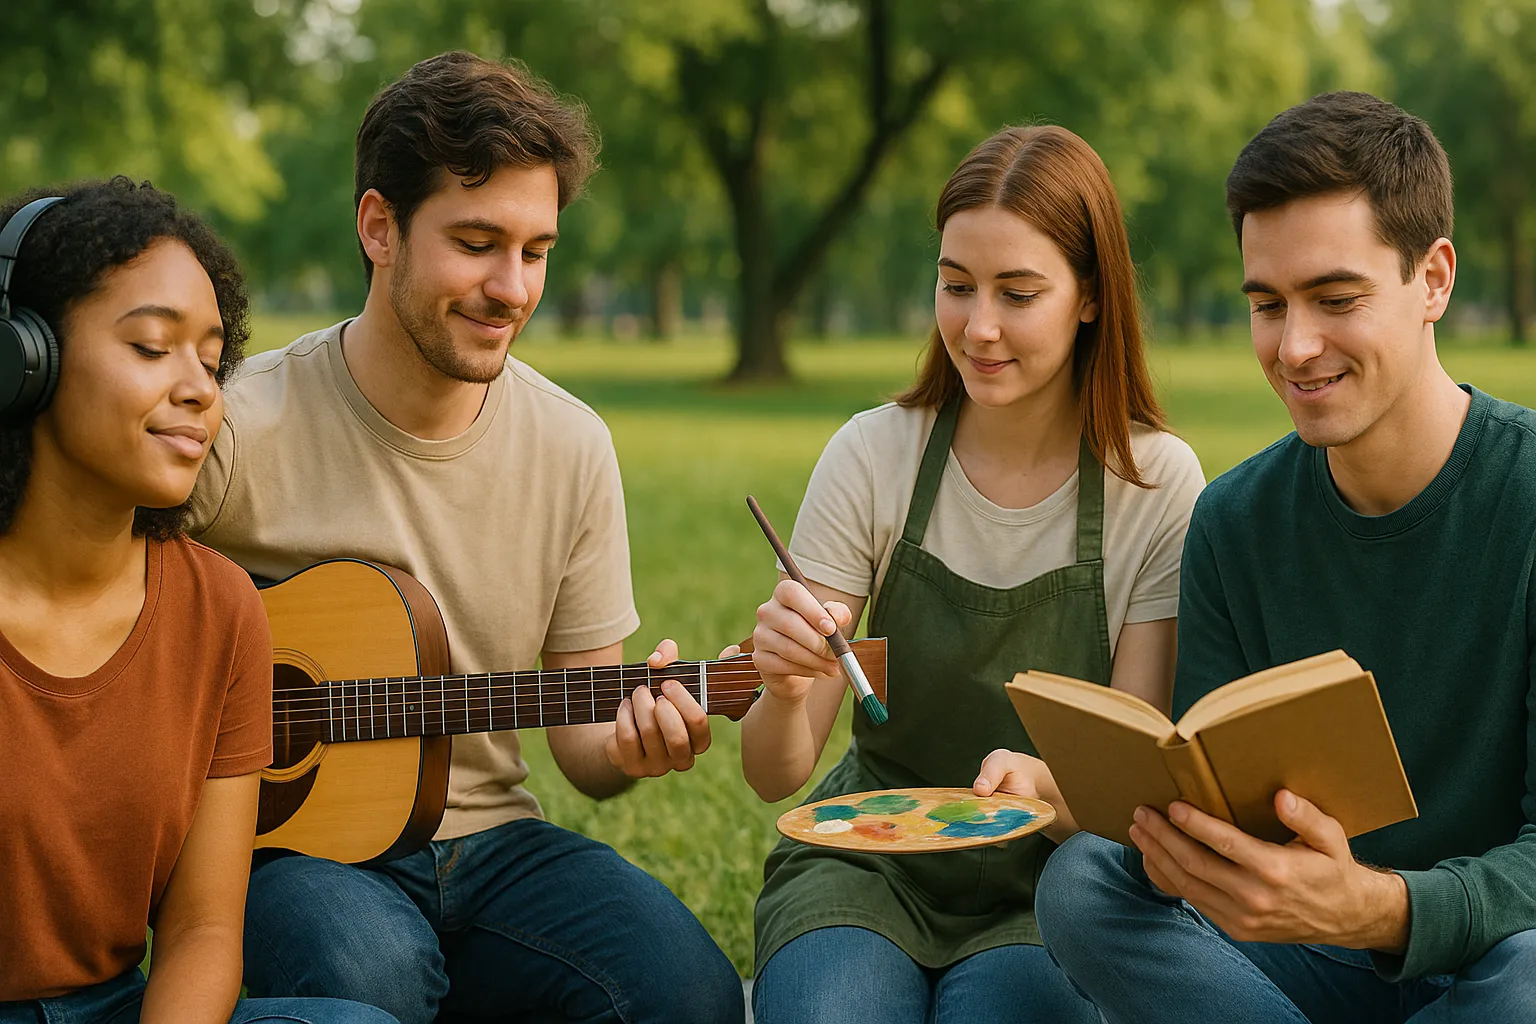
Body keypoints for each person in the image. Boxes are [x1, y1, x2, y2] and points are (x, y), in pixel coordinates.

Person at [186, 52, 742, 1024]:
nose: (512, 287)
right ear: (379, 228)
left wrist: (632, 744)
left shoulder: (571, 445)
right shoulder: (240, 426)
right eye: (478, 242)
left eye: (536, 251)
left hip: (494, 844)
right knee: (371, 979)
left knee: (684, 990)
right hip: (294, 848)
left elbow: (582, 741)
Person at [1035, 91, 1536, 1023]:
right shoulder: (1232, 520)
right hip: (1298, 957)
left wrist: (1381, 909)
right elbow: (1220, 809)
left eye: (1336, 299)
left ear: (1434, 279)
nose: (1295, 347)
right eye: (1267, 305)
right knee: (1085, 883)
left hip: (1488, 956)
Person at [736, 125, 1206, 1023]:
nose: (977, 327)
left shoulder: (1157, 482)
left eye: (1017, 293)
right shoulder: (873, 454)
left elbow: (1129, 788)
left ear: (1092, 298)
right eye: (956, 286)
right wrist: (788, 689)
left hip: (1049, 893)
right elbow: (773, 774)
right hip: (863, 862)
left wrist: (1045, 788)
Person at [0, 179, 394, 1024]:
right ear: (23, 357)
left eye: (212, 362)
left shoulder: (220, 608)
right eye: (151, 347)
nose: (200, 390)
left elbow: (205, 930)